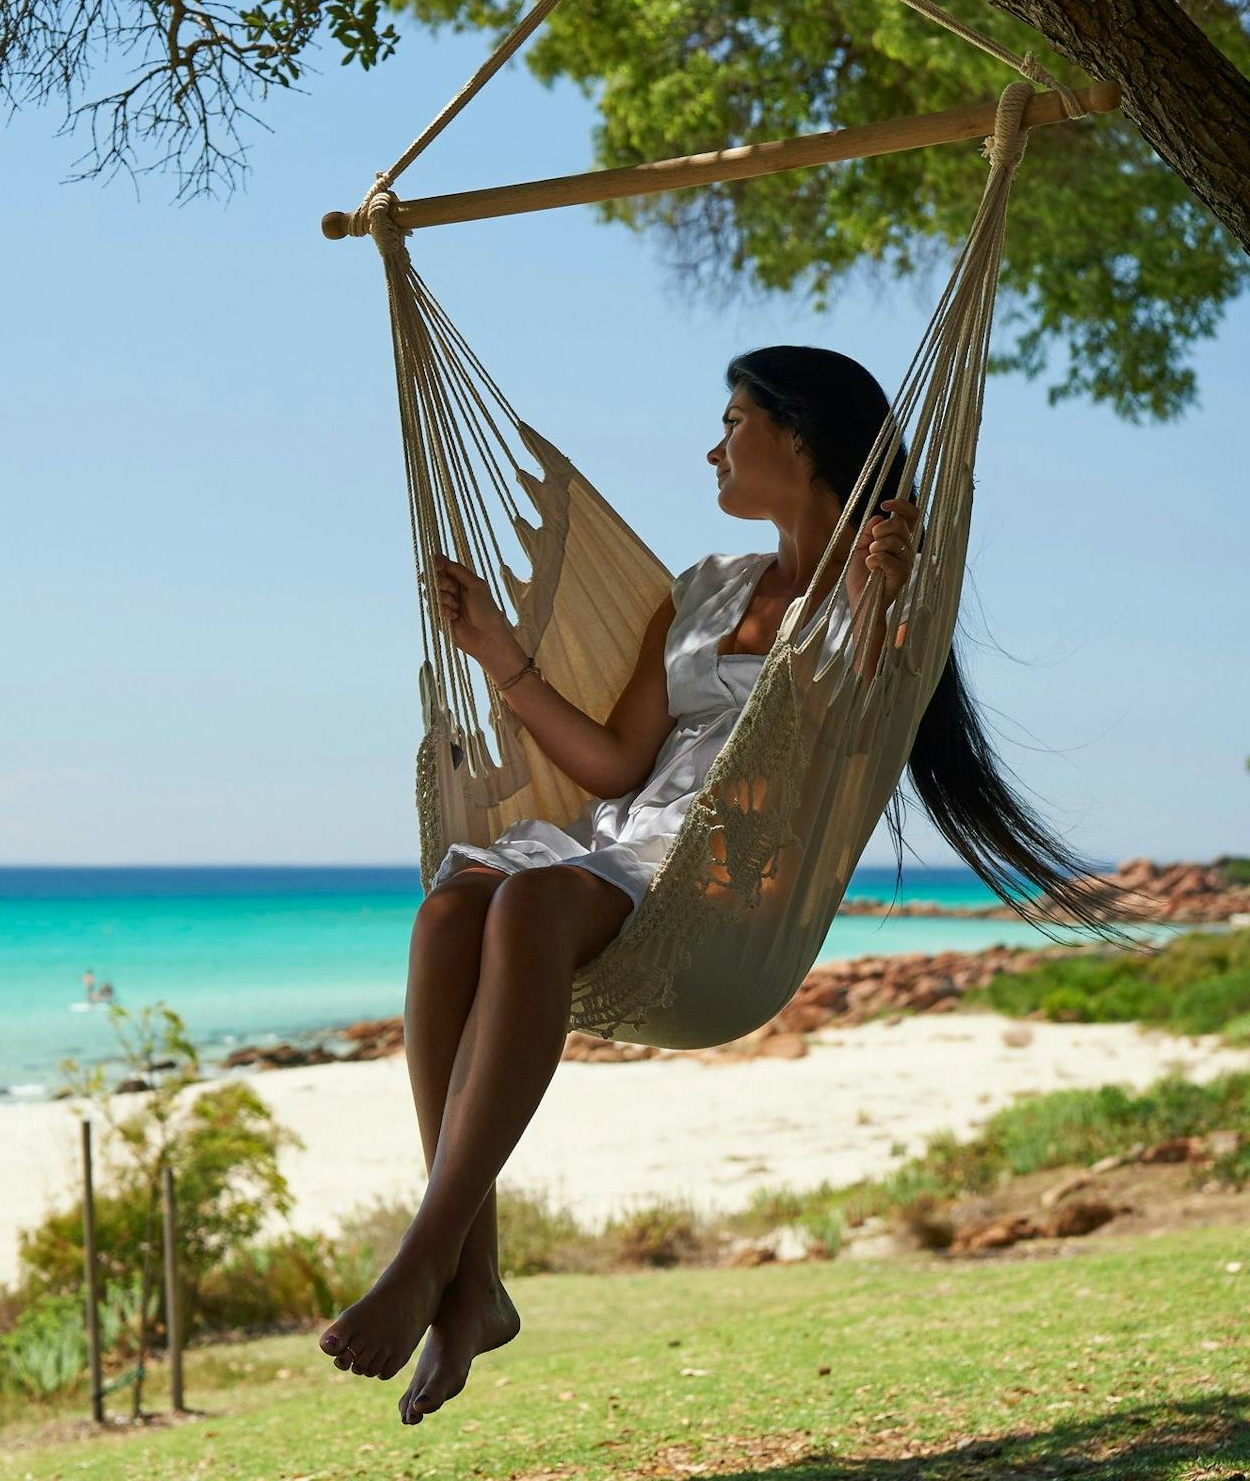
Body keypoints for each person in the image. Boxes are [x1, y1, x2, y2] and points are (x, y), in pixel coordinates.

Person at [316, 346, 1129, 1426]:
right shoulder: (700, 589)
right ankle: (471, 1281)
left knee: (527, 904)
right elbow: (614, 764)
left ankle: (430, 1255)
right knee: (449, 907)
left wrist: (878, 605)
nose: (712, 444)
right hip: (628, 835)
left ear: (795, 439)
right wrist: (496, 653)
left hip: (727, 873)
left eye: (732, 420)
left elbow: (843, 743)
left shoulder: (881, 590)